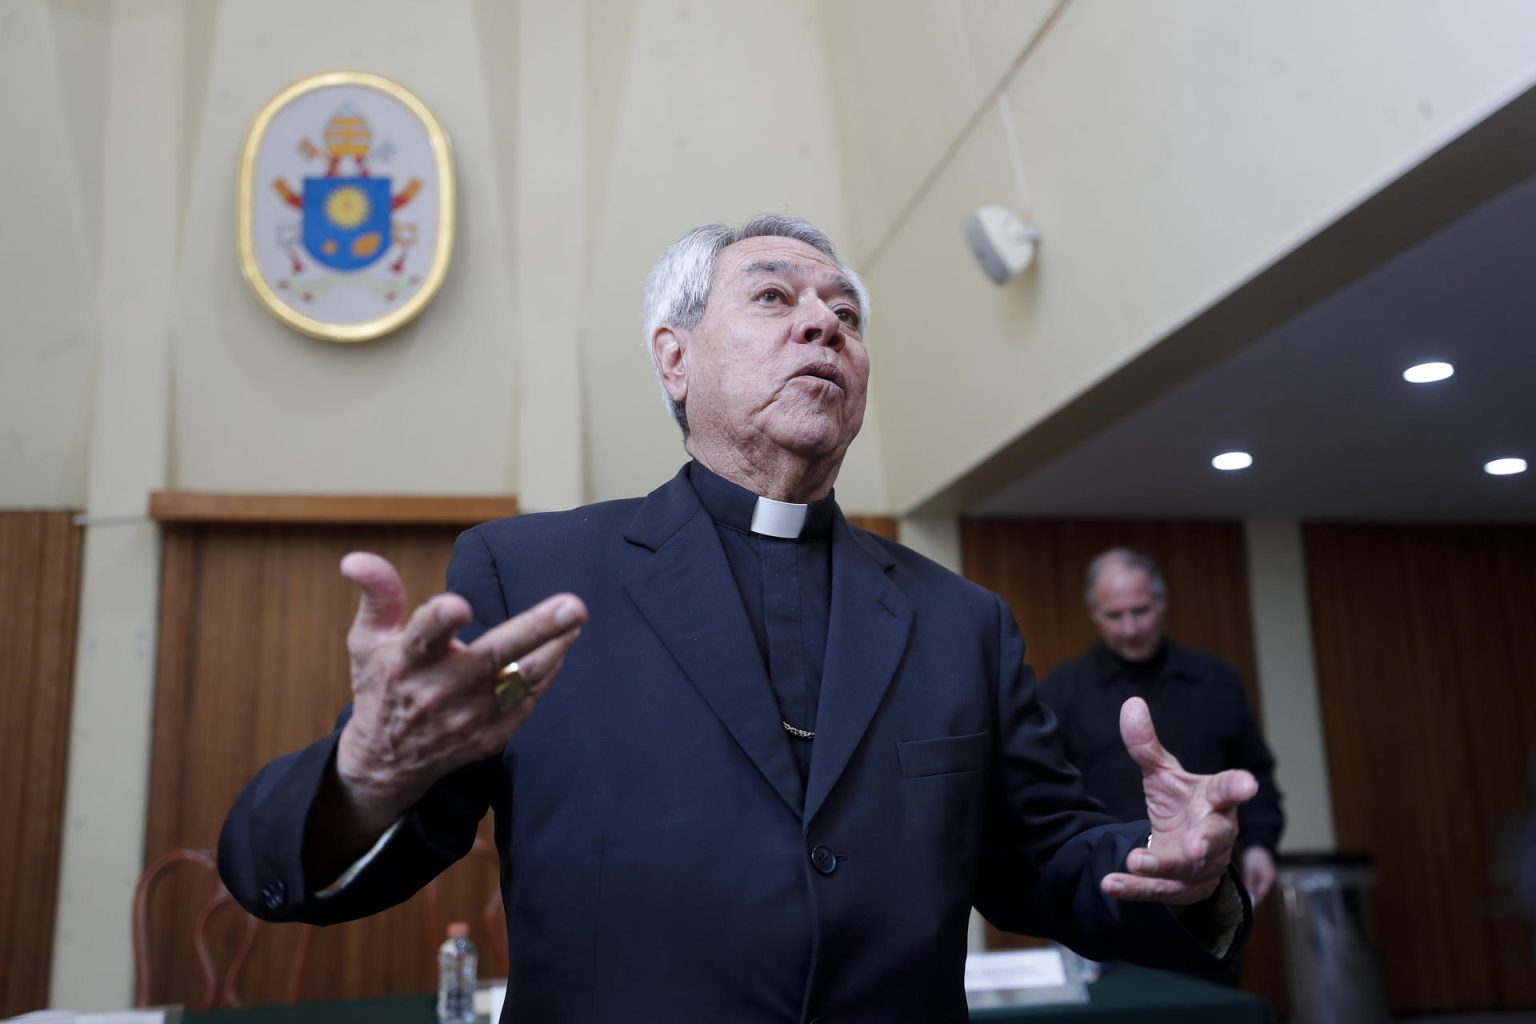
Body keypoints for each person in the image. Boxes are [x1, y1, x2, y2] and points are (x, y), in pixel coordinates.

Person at [219, 216, 1258, 1023]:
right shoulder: (531, 574)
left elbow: (1046, 863)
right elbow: (324, 869)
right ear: (674, 359)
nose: (825, 324)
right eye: (775, 296)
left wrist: (1186, 872)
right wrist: (367, 772)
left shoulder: (961, 620)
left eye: (845, 313)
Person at [1039, 548, 1286, 982]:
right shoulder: (1062, 689)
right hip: (1108, 892)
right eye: (1115, 616)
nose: (1131, 628)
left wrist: (1263, 844)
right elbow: (1047, 795)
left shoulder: (1215, 679)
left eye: (1141, 611)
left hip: (1204, 890)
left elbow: (1254, 772)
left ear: (1162, 601)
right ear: (1093, 613)